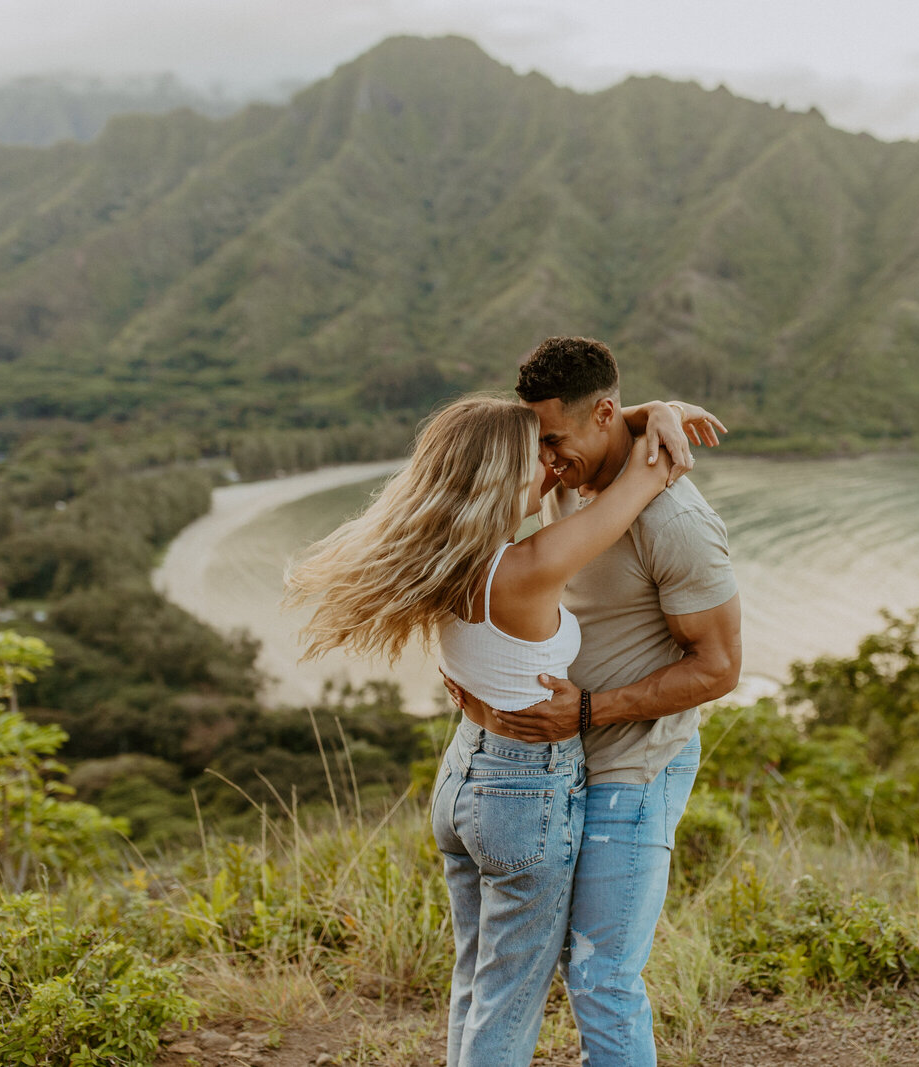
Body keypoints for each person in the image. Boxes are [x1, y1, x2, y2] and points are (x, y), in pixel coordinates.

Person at [284, 392, 710, 1067]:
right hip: (522, 795)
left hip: (464, 777)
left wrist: (644, 407)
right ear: (504, 478)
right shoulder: (529, 566)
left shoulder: (446, 559)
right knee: (510, 998)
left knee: (478, 982)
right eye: (536, 455)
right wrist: (657, 415)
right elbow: (645, 480)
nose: (550, 463)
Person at [447, 336, 742, 1066]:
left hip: (634, 768)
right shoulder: (571, 471)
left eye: (552, 440)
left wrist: (585, 711)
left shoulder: (676, 522)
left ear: (602, 414)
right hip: (558, 765)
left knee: (602, 976)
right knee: (504, 966)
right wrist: (654, 412)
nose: (543, 460)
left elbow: (721, 667)